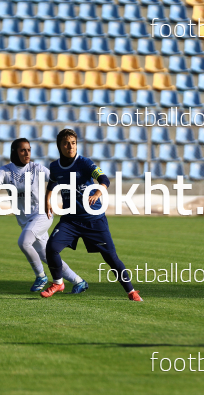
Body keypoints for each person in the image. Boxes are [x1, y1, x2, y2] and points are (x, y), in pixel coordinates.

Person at [41, 128, 143, 301]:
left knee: (111, 258)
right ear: (59, 146)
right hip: (70, 221)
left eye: (73, 143)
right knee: (51, 248)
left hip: (94, 220)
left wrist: (97, 193)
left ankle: (131, 291)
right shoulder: (55, 167)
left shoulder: (85, 163)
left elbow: (104, 180)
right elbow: (52, 184)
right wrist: (47, 201)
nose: (70, 146)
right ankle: (58, 283)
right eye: (66, 143)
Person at [0, 138, 88, 293]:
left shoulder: (36, 168)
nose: (27, 153)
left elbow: (55, 177)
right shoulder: (6, 171)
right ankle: (78, 281)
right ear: (15, 152)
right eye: (23, 150)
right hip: (25, 220)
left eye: (29, 150)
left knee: (24, 242)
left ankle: (41, 276)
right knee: (47, 256)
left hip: (42, 214)